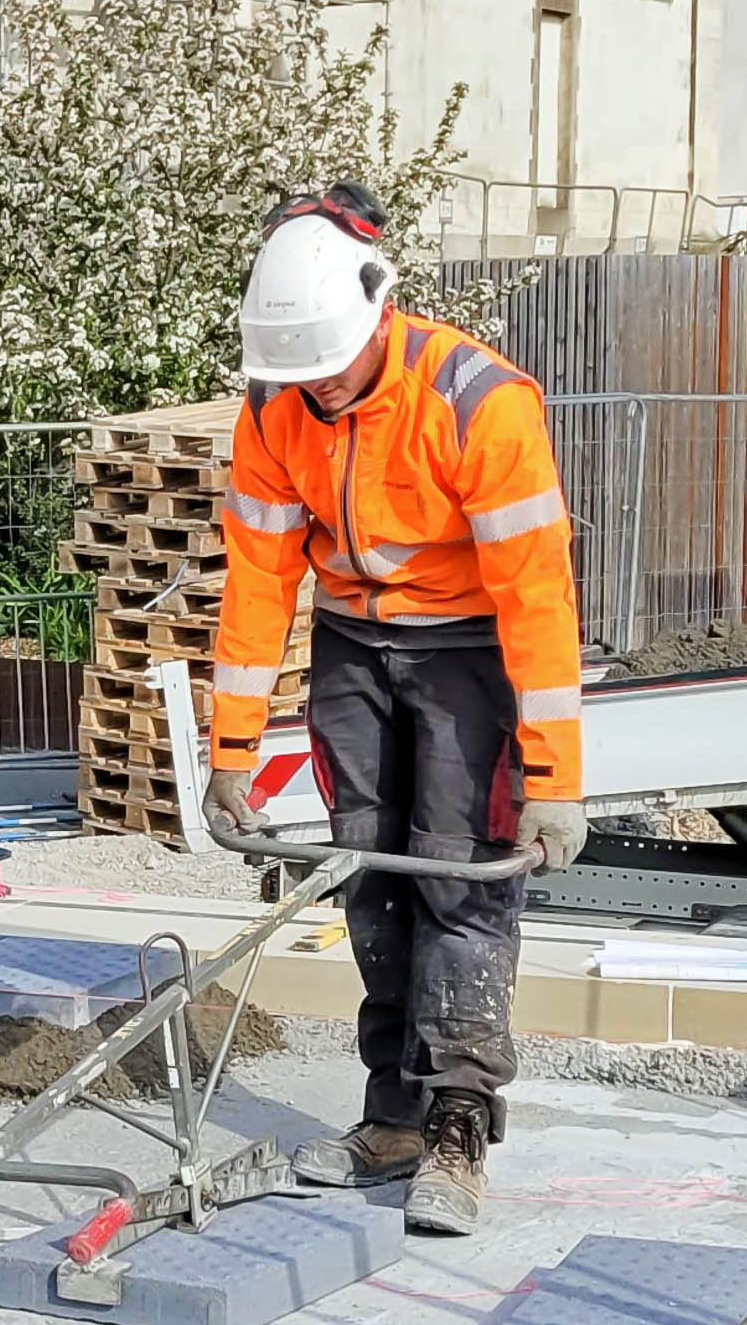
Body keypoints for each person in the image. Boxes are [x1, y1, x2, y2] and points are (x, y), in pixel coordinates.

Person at [195, 183, 587, 1238]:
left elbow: (537, 599)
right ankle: (396, 1114)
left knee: (458, 880)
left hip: (466, 654)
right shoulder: (278, 405)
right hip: (354, 647)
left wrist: (553, 780)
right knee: (369, 875)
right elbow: (259, 581)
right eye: (299, 371)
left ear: (379, 313)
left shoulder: (477, 401)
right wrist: (231, 750)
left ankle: (459, 1120)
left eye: (332, 362)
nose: (318, 386)